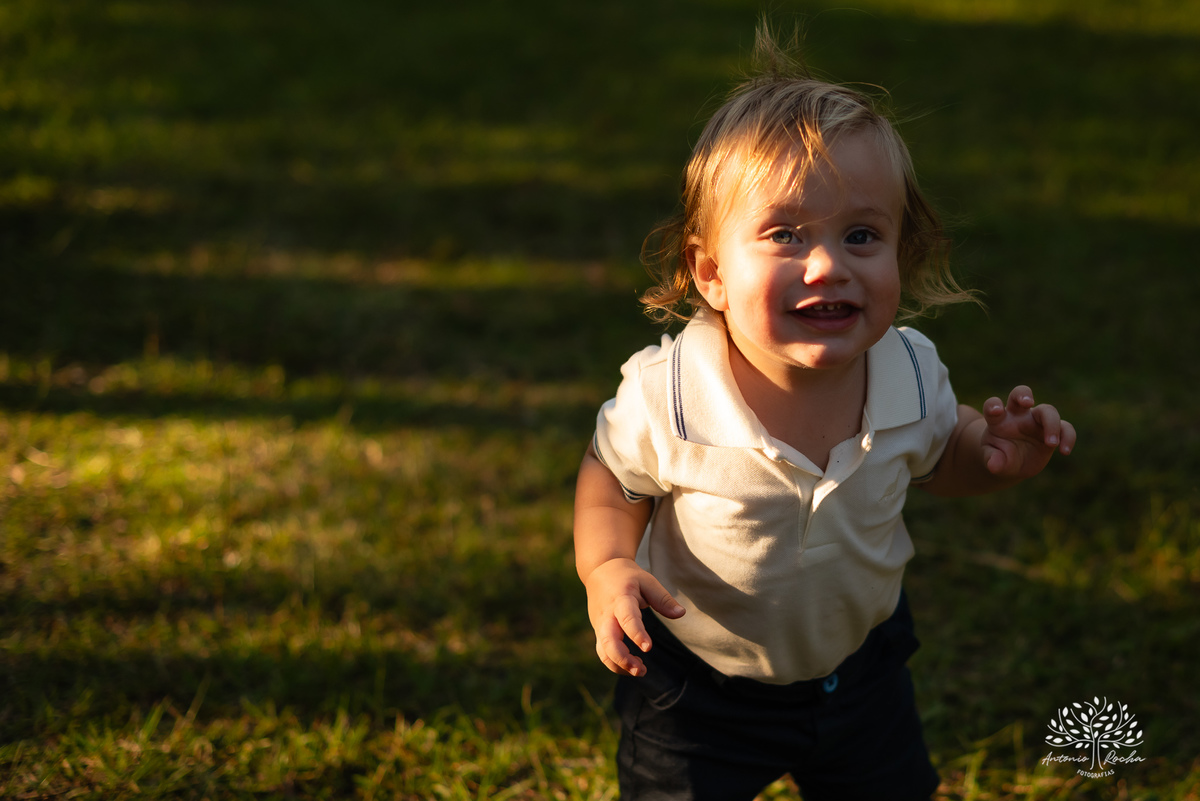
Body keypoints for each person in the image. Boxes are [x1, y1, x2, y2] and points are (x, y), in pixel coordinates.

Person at [572, 25, 1077, 801]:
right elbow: (613, 478)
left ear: (901, 254)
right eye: (784, 235)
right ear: (710, 272)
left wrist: (995, 455)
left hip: (860, 674)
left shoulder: (909, 370)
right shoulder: (670, 392)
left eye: (862, 234)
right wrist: (607, 565)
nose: (828, 263)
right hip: (698, 690)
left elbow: (946, 461)